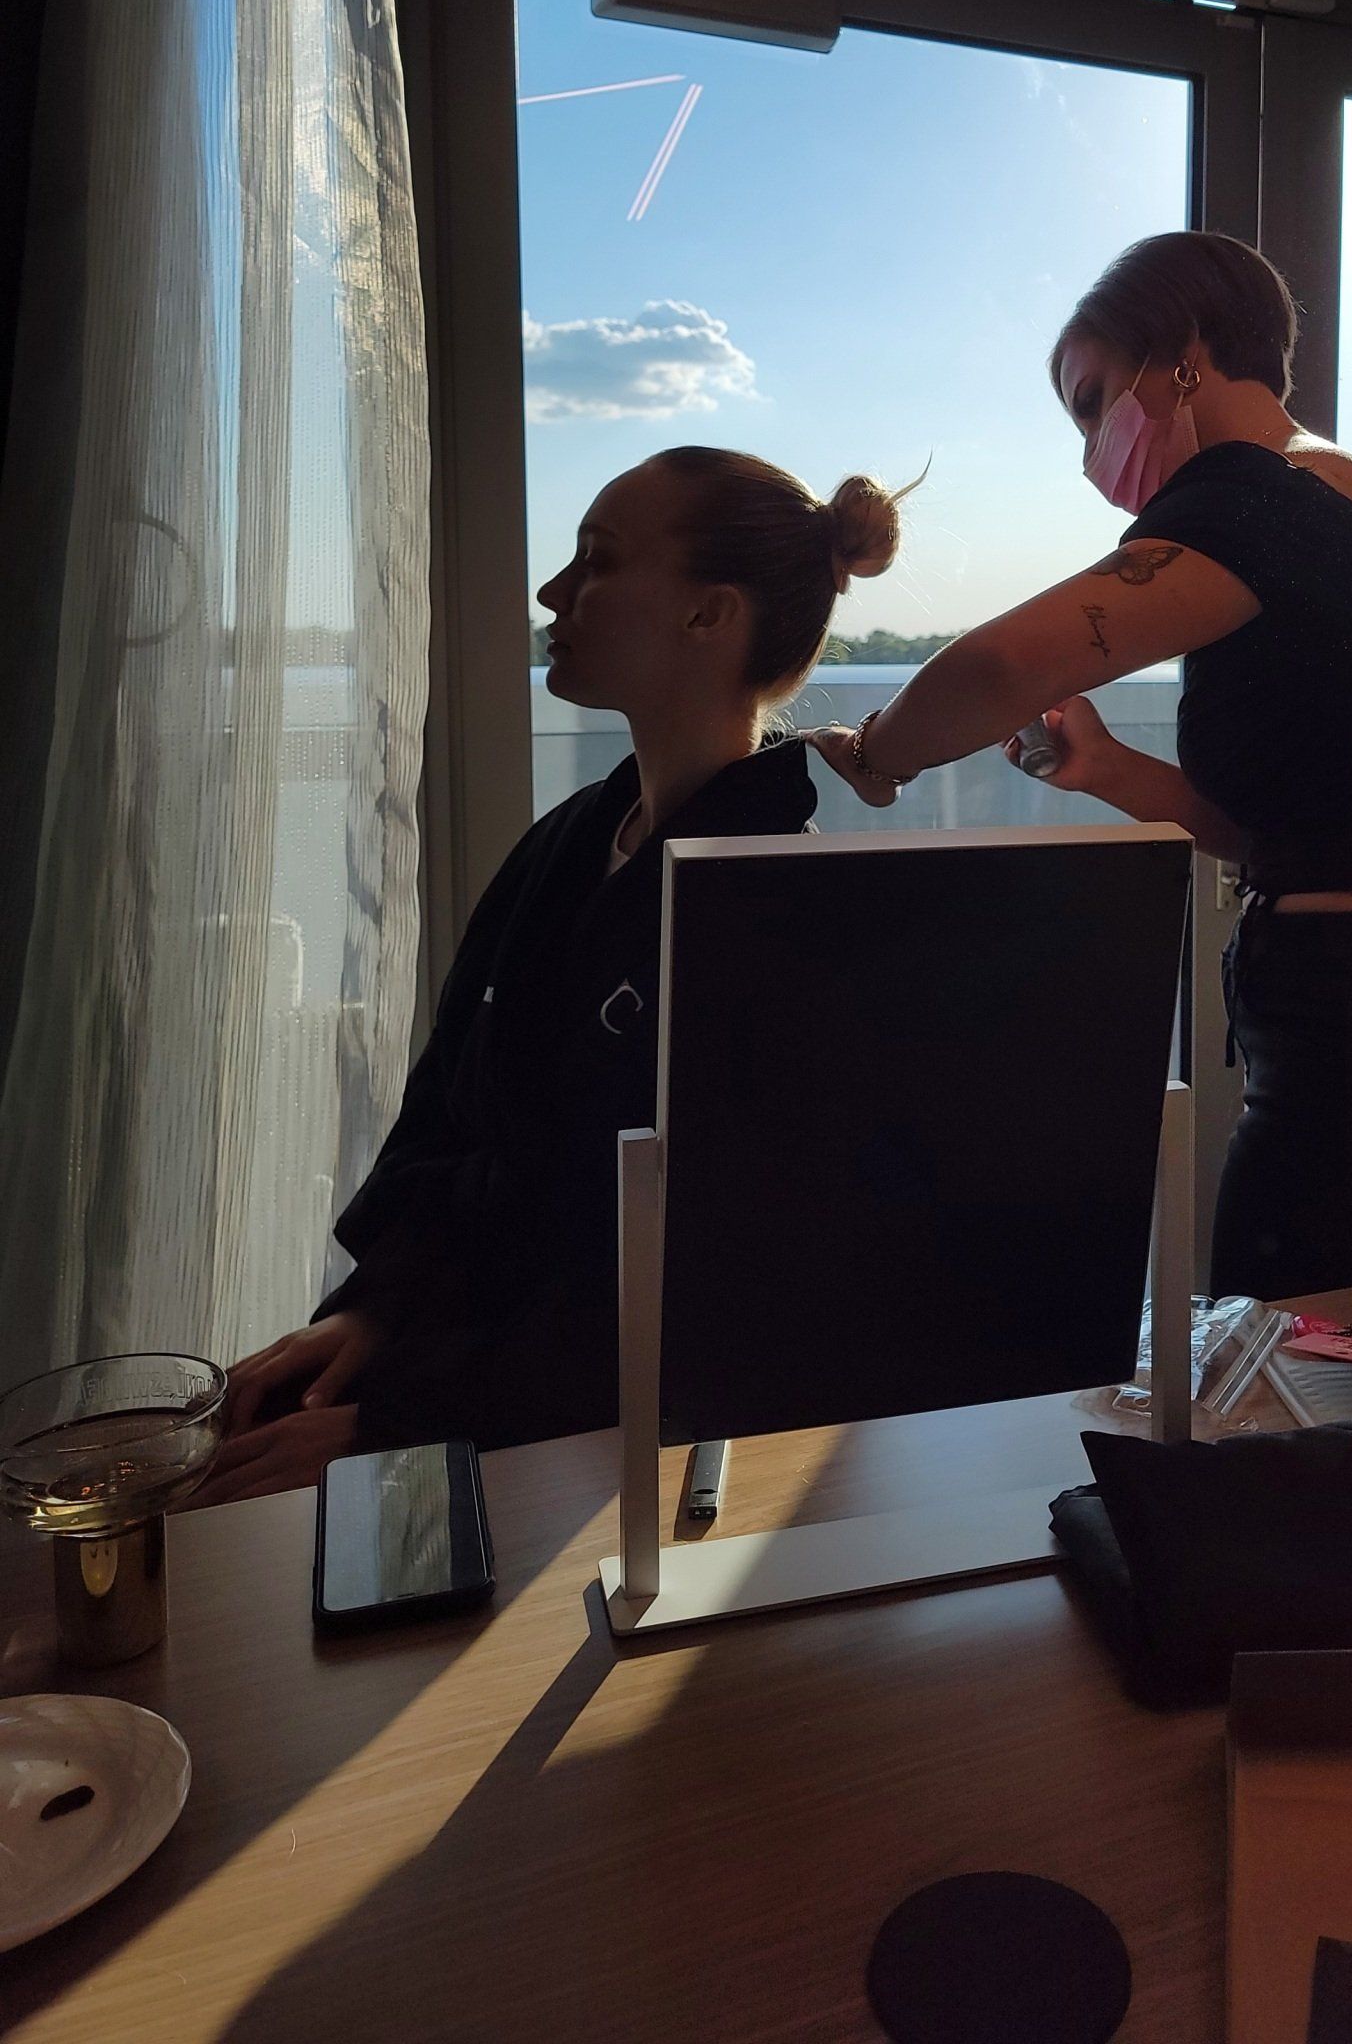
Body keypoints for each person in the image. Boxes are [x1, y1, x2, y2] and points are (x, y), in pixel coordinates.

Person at [813, 231, 1352, 1300]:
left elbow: (1002, 661)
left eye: (1091, 400)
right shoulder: (1340, 502)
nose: (1088, 453)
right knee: (1341, 1410)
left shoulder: (1249, 497)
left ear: (1184, 353)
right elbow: (1286, 843)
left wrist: (875, 752)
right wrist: (1108, 768)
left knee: (1273, 1408)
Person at [200, 447, 904, 1504]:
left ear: (710, 616)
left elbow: (710, 1299)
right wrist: (373, 1312)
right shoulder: (571, 841)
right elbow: (448, 1106)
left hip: (573, 1463)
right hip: (449, 1371)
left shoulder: (774, 916)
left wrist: (399, 1426)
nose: (551, 593)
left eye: (597, 560)